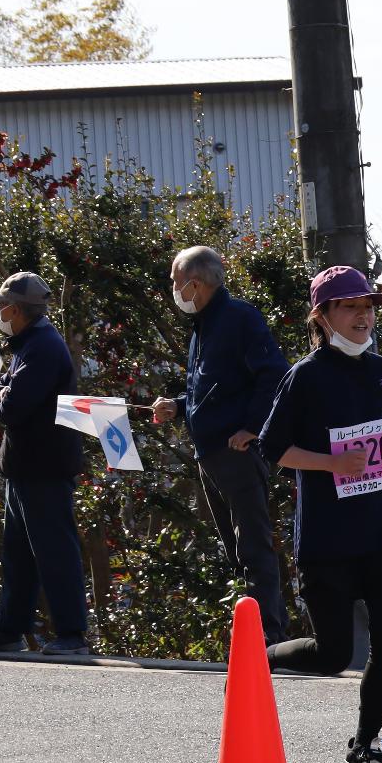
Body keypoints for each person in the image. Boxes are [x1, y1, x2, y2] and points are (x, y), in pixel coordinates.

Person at [259, 266, 382, 763]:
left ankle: (367, 744)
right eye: (350, 306)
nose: (363, 316)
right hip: (328, 538)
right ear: (323, 316)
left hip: (381, 531)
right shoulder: (305, 376)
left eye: (368, 306)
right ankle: (258, 661)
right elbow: (274, 448)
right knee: (333, 653)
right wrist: (332, 463)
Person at [152, 246, 290, 644]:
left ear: (195, 284)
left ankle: (270, 635)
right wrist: (178, 406)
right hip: (210, 452)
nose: (174, 290)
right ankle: (254, 632)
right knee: (236, 549)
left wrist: (252, 428)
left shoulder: (239, 318)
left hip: (237, 452)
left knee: (253, 546)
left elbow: (275, 375)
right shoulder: (204, 323)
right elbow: (211, 387)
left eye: (176, 282)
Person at [0, 273, 90, 657]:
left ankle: (72, 634)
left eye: (2, 306)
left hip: (44, 468)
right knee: (18, 555)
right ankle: (9, 628)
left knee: (55, 551)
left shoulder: (41, 348)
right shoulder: (30, 344)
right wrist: (5, 388)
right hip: (26, 467)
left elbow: (12, 409)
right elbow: (13, 396)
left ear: (16, 310)